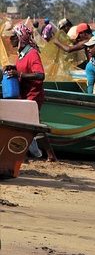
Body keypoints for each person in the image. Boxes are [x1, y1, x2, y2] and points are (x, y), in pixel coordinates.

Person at [4, 24, 56, 161]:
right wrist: (13, 68)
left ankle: (44, 155)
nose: (11, 40)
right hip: (25, 94)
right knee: (32, 126)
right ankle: (39, 155)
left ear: (21, 37)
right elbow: (23, 68)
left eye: (14, 37)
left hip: (33, 95)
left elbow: (40, 75)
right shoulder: (21, 54)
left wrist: (19, 74)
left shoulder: (32, 54)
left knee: (32, 126)